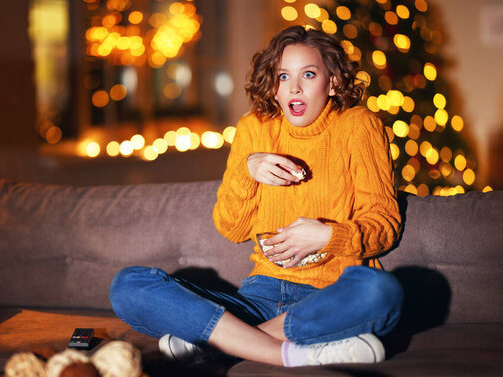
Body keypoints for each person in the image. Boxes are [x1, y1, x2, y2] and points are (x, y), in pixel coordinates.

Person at [110, 25, 403, 367]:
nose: (294, 87)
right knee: (127, 286)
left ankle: (223, 343)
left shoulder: (358, 126)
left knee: (381, 291)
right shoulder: (254, 129)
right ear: (274, 87)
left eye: (308, 74)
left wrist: (328, 235)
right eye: (283, 77)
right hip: (259, 295)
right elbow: (230, 227)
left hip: (330, 295)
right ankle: (289, 353)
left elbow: (384, 223)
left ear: (333, 81)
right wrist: (248, 169)